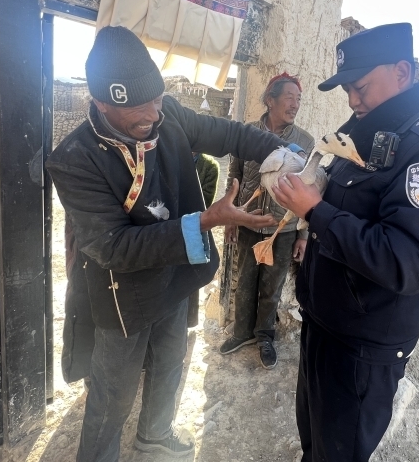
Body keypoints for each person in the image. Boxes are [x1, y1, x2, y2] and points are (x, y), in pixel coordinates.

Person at [46, 26, 304, 462]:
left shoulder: (168, 116)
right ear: (102, 102)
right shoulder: (75, 159)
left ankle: (155, 434)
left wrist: (288, 154)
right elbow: (114, 247)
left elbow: (233, 135)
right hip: (122, 293)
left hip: (174, 273)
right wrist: (206, 220)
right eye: (139, 107)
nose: (154, 113)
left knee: (169, 361)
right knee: (113, 392)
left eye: (158, 100)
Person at [272, 23, 419, 462]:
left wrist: (316, 211)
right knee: (314, 444)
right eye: (347, 89)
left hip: (361, 349)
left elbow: (408, 261)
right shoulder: (366, 128)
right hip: (323, 324)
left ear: (401, 72)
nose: (352, 100)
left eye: (360, 87)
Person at [219, 73, 314, 369]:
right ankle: (241, 333)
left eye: (299, 99)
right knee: (244, 280)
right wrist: (231, 216)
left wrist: (303, 235)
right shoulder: (247, 133)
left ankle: (264, 337)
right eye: (289, 97)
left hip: (283, 228)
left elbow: (310, 189)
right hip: (247, 222)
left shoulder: (304, 141)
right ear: (270, 100)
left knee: (271, 287)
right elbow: (234, 176)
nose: (295, 104)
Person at [187, 152, 221, 327]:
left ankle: (189, 321)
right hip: (168, 226)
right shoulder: (169, 156)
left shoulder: (210, 166)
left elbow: (204, 203)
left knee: (191, 275)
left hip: (194, 228)